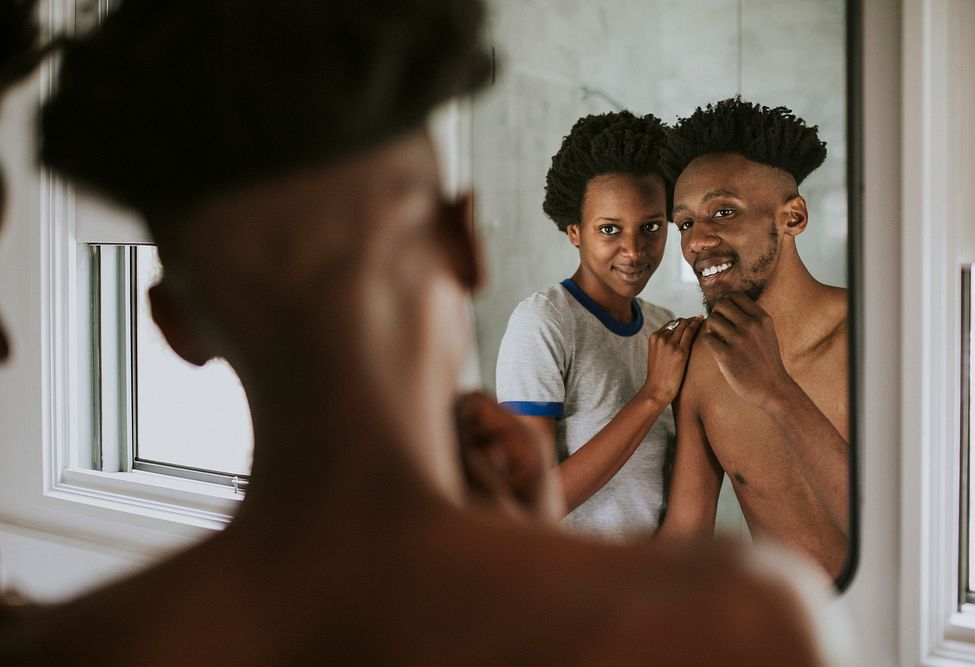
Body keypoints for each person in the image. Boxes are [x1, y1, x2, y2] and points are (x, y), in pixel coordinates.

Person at [0, 2, 831, 663]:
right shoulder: (729, 625)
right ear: (464, 243)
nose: (646, 246)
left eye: (655, 227)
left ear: (174, 325)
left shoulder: (58, 647)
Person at [657, 98, 849, 580]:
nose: (696, 241)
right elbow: (684, 539)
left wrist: (776, 391)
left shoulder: (880, 336)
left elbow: (907, 532)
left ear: (793, 218)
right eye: (685, 223)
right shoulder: (702, 363)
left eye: (723, 211)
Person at [495, 111, 701, 541]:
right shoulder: (544, 323)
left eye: (650, 227)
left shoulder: (662, 327)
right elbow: (531, 504)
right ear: (574, 230)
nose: (633, 250)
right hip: (570, 589)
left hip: (646, 583)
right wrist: (653, 396)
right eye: (610, 229)